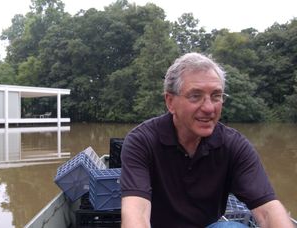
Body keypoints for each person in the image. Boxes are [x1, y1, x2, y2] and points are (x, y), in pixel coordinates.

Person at [120, 52, 293, 228]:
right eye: (195, 96)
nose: (209, 108)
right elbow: (137, 213)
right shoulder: (141, 141)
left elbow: (268, 210)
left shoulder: (234, 145)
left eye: (216, 96)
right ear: (170, 102)